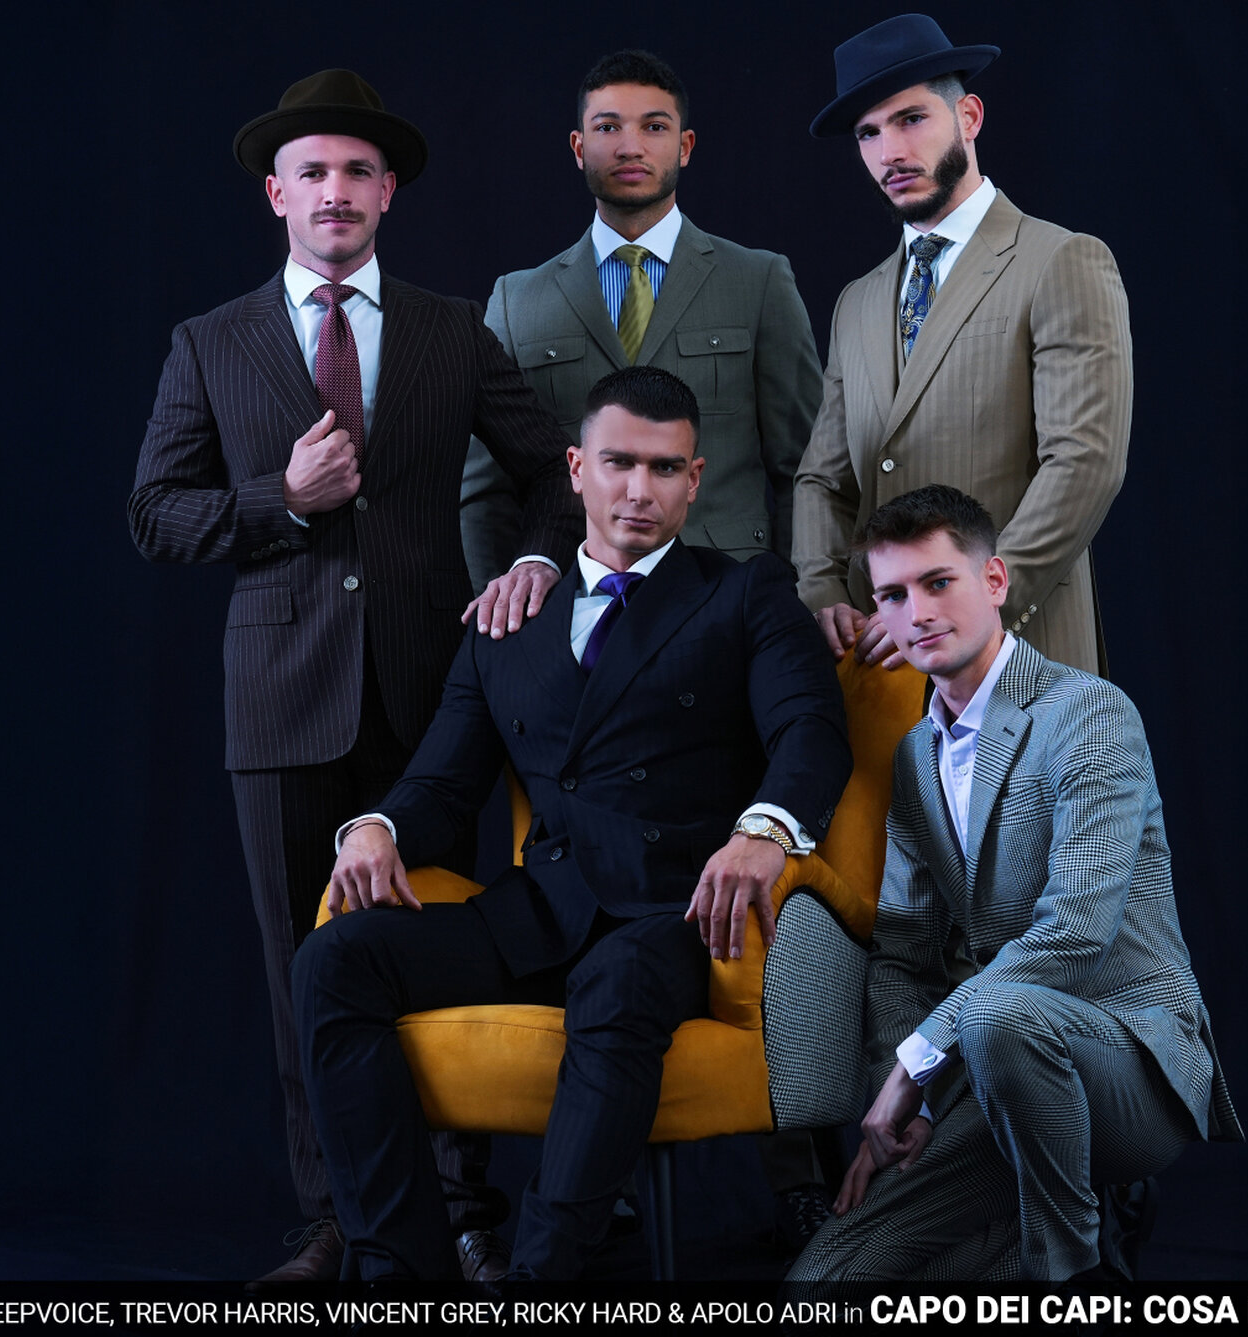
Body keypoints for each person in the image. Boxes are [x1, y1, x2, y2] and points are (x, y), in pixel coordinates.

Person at [127, 68, 582, 1285]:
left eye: (356, 172)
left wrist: (533, 563)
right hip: (279, 700)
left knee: (437, 949)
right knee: (304, 974)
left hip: (431, 695)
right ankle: (336, 1215)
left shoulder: (450, 330)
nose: (335, 190)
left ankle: (462, 1206)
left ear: (388, 192)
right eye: (312, 172)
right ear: (276, 194)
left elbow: (555, 474)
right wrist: (282, 499)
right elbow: (154, 513)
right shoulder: (210, 342)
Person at [294, 367, 852, 1280]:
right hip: (541, 908)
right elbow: (443, 783)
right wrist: (378, 827)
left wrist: (765, 831)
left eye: (664, 468)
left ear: (696, 480)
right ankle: (399, 1271)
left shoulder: (746, 593)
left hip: (675, 914)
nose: (640, 490)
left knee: (616, 981)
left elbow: (811, 731)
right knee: (334, 960)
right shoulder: (509, 622)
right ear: (575, 470)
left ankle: (540, 1284)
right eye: (619, 462)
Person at [789, 485, 1240, 1283]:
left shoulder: (1089, 713)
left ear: (994, 580)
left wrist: (918, 1064)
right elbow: (902, 952)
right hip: (993, 1072)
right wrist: (908, 1103)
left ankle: (1078, 1276)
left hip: (1128, 1060)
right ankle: (1055, 1225)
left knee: (997, 1013)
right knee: (827, 1284)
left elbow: (1075, 932)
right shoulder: (916, 756)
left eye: (938, 582)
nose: (917, 611)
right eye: (892, 595)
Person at [794, 14, 1132, 678]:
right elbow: (822, 479)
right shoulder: (857, 302)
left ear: (969, 116)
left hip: (1022, 654)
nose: (890, 152)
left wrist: (977, 606)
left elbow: (1085, 462)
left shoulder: (1060, 261)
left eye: (910, 119)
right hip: (879, 663)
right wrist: (821, 591)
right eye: (868, 133)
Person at [458, 48, 822, 592]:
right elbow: (485, 489)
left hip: (729, 594)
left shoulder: (758, 281)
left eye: (654, 126)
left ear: (685, 145)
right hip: (573, 595)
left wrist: (799, 598)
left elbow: (804, 468)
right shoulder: (518, 300)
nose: (630, 147)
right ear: (579, 148)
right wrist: (501, 607)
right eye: (608, 127)